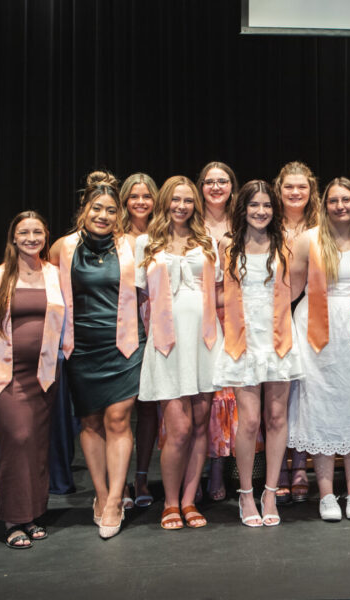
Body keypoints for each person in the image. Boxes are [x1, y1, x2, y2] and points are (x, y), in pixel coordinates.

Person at [288, 178, 350, 521]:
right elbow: (292, 290)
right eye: (333, 200)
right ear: (325, 204)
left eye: (346, 199)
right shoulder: (308, 240)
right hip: (318, 331)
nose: (341, 206)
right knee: (321, 406)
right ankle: (327, 495)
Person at [51, 170, 145, 539]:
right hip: (81, 346)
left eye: (110, 210)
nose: (103, 215)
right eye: (96, 208)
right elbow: (33, 275)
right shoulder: (63, 247)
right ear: (84, 210)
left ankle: (116, 499)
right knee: (90, 423)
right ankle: (102, 494)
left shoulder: (132, 245)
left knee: (118, 419)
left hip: (123, 344)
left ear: (119, 214)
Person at [134, 175, 223, 530]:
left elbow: (218, 291)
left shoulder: (207, 242)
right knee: (179, 428)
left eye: (187, 200)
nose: (181, 206)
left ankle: (188, 500)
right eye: (175, 199)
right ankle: (169, 502)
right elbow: (139, 297)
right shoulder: (146, 242)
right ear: (164, 202)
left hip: (204, 341)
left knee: (201, 424)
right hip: (167, 343)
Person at [214, 180, 303, 526]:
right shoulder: (228, 244)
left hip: (278, 337)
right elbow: (218, 289)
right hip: (243, 339)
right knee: (249, 421)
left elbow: (296, 287)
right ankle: (246, 494)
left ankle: (270, 492)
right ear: (243, 208)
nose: (261, 211)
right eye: (254, 205)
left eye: (267, 205)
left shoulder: (286, 244)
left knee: (277, 417)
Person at [0, 211, 63, 548]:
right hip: (6, 374)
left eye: (37, 232)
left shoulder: (54, 274)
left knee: (37, 446)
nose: (31, 238)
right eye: (24, 232)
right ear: (13, 237)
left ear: (46, 236)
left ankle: (33, 514)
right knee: (18, 440)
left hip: (44, 376)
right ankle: (13, 520)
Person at [272, 161, 320, 504]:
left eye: (302, 186)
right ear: (279, 189)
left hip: (308, 312)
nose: (295, 192)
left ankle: (300, 464)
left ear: (311, 190)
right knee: (276, 395)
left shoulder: (320, 226)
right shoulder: (266, 222)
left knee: (303, 389)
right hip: (271, 313)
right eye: (289, 186)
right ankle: (278, 469)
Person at [196, 161, 240, 502]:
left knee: (227, 394)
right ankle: (193, 470)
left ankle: (218, 470)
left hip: (232, 313)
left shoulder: (241, 222)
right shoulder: (190, 223)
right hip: (195, 315)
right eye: (209, 181)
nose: (216, 187)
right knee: (200, 394)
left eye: (222, 181)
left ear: (231, 186)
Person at [120, 173, 159, 508]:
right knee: (119, 409)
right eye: (134, 196)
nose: (141, 202)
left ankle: (142, 477)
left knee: (148, 407)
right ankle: (118, 483)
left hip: (154, 325)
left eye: (147, 196)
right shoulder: (113, 237)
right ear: (124, 201)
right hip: (118, 326)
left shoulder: (163, 235)